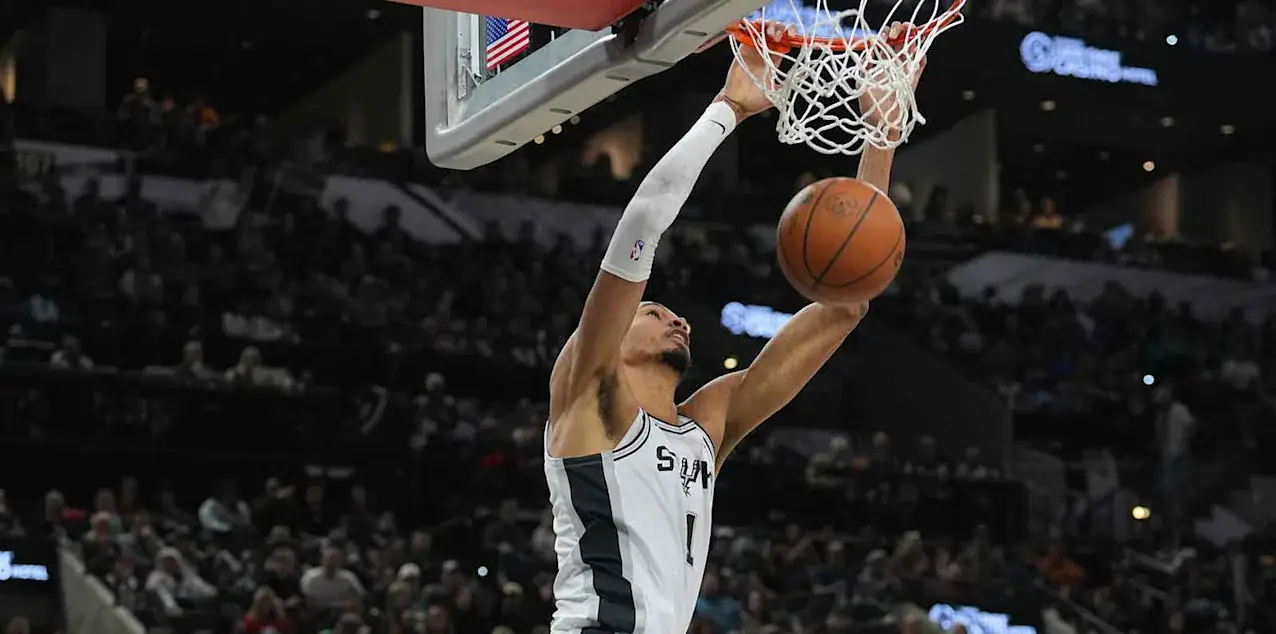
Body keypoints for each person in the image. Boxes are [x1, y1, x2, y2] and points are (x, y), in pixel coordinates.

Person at [543, 25, 925, 634]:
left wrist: (880, 132)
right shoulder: (589, 392)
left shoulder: (708, 427)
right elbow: (644, 218)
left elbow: (846, 304)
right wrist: (728, 109)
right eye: (651, 310)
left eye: (669, 310)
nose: (676, 317)